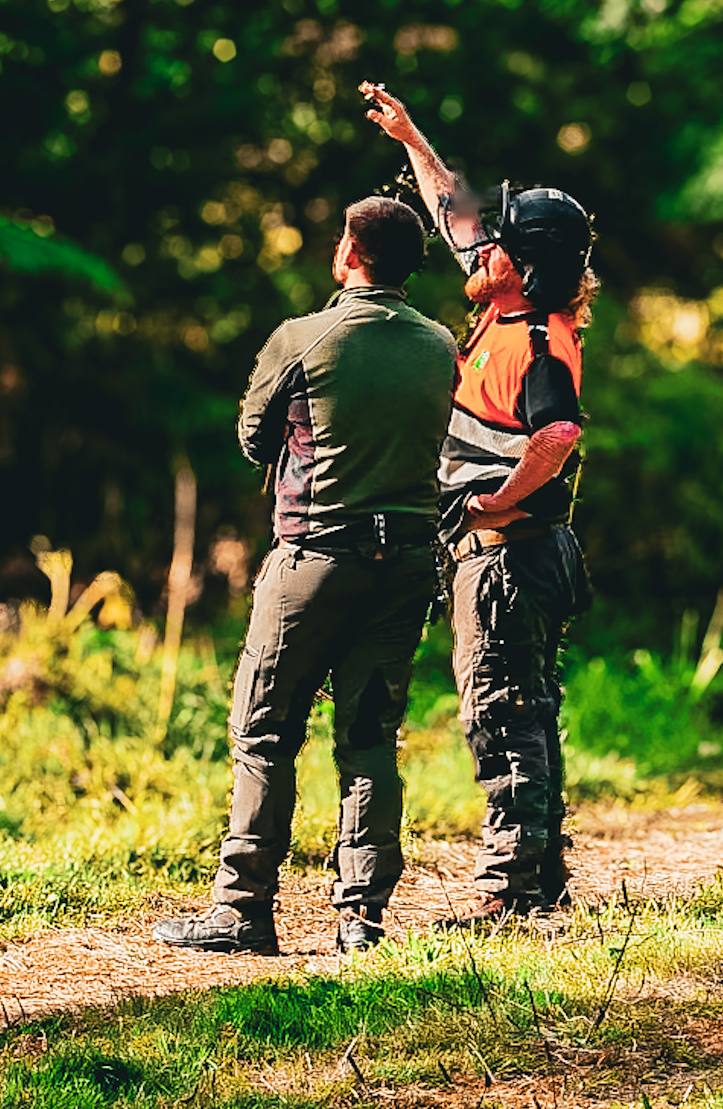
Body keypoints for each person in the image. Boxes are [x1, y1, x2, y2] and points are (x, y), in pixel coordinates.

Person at [153, 196, 457, 955]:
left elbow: (255, 439)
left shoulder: (302, 336)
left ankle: (244, 909)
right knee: (369, 738)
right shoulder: (443, 344)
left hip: (315, 559)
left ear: (349, 251)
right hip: (409, 565)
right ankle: (362, 919)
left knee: (264, 729)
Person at [362, 80, 596, 918]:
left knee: (501, 714)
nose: (476, 249)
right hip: (522, 556)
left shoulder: (535, 341)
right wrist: (413, 139)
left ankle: (510, 890)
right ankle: (544, 881)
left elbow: (558, 435)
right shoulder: (509, 306)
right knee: (528, 707)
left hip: (508, 558)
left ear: (520, 264)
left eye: (494, 245)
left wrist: (498, 502)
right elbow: (455, 216)